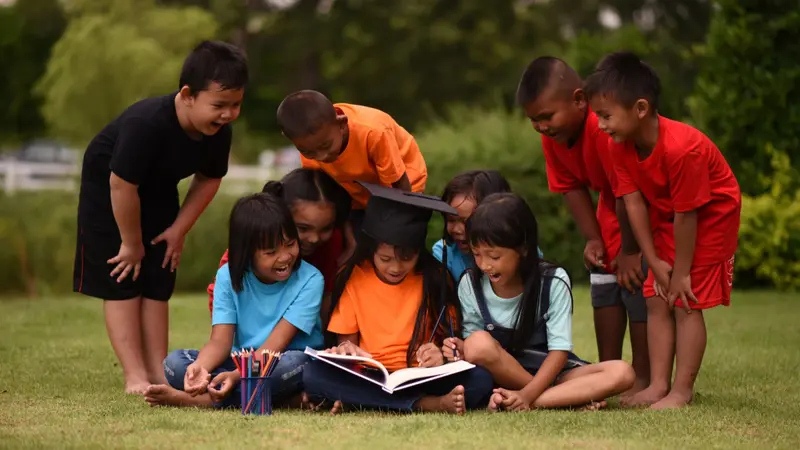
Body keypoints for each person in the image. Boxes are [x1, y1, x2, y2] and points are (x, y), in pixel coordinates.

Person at [72, 40, 248, 394]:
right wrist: (131, 243)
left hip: (158, 189)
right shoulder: (146, 123)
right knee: (124, 276)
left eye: (236, 105)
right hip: (111, 192)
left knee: (158, 276)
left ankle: (158, 371)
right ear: (187, 95)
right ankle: (134, 375)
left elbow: (210, 178)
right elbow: (121, 185)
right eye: (219, 105)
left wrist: (178, 230)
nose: (227, 114)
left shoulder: (218, 133)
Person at [584, 51, 741, 409]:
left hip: (710, 215)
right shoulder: (618, 146)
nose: (600, 125)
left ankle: (682, 391)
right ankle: (657, 385)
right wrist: (652, 261)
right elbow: (634, 203)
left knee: (685, 299)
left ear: (640, 108)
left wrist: (682, 272)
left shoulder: (683, 150)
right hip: (670, 213)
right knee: (656, 297)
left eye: (606, 116)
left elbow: (690, 214)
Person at [514, 56, 650, 399]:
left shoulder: (603, 129)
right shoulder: (554, 139)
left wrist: (630, 251)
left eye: (547, 117)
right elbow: (571, 188)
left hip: (640, 211)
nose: (542, 127)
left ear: (579, 100)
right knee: (603, 282)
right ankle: (607, 372)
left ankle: (643, 377)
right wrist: (594, 239)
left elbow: (626, 192)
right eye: (534, 120)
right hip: (612, 208)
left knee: (635, 287)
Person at [302, 182, 494, 415]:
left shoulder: (434, 278)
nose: (395, 267)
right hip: (370, 376)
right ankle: (429, 404)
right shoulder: (354, 276)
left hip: (420, 376)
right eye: (385, 258)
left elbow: (450, 345)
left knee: (480, 379)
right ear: (371, 249)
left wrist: (439, 354)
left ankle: (363, 401)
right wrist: (346, 349)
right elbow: (347, 345)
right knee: (313, 374)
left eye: (406, 258)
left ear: (418, 251)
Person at [442, 193, 635, 411]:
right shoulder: (470, 283)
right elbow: (475, 348)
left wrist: (528, 395)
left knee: (622, 372)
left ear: (523, 249)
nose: (484, 265)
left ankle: (529, 400)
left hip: (553, 372)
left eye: (494, 257)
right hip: (501, 374)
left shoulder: (552, 281)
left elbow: (559, 351)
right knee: (477, 343)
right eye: (477, 254)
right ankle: (566, 399)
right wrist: (460, 347)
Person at [143, 191, 325, 408]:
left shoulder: (310, 279)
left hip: (279, 361)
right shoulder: (227, 276)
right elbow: (220, 342)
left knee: (297, 364)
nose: (285, 256)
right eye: (271, 252)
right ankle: (279, 399)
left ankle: (200, 401)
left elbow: (274, 347)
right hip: (241, 363)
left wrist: (236, 377)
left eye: (290, 243)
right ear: (247, 253)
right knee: (176, 363)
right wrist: (200, 368)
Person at [275, 90, 428, 266]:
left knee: (393, 248)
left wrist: (397, 231)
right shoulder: (312, 152)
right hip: (358, 190)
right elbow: (333, 199)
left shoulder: (373, 132)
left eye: (326, 145)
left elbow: (399, 187)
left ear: (341, 124)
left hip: (403, 186)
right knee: (360, 251)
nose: (322, 156)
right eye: (308, 151)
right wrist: (351, 243)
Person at [207, 168, 351, 324]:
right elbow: (222, 299)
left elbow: (328, 297)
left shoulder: (331, 244)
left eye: (326, 228)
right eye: (303, 228)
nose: (314, 239)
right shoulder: (247, 250)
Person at [433, 170, 543, 280]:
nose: (457, 229)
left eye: (466, 221)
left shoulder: (521, 252)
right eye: (450, 220)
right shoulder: (445, 254)